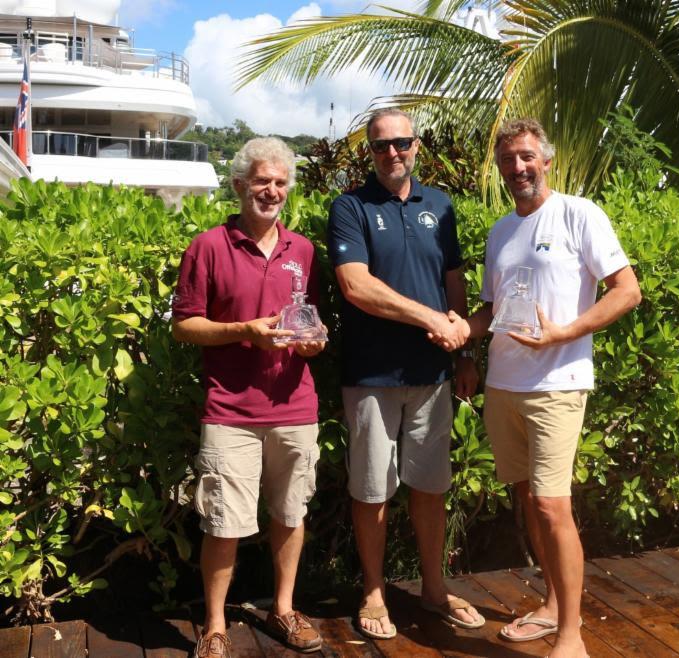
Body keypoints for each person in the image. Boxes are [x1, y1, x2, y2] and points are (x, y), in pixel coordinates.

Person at [455, 119, 641, 658]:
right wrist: (458, 337)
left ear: (547, 160)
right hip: (503, 384)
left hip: (558, 384)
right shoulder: (498, 231)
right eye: (509, 160)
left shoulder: (579, 214)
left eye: (527, 157)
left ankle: (571, 636)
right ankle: (554, 604)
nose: (518, 168)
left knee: (552, 504)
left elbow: (626, 291)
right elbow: (491, 311)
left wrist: (564, 332)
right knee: (527, 501)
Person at [326, 108, 484, 639]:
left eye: (402, 143)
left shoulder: (439, 204)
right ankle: (373, 591)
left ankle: (433, 588)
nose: (392, 153)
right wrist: (431, 319)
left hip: (434, 373)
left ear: (417, 146)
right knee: (372, 488)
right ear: (369, 152)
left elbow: (453, 278)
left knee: (431, 484)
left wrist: (464, 351)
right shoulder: (350, 207)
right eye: (380, 146)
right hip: (371, 374)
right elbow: (356, 286)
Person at [172, 137, 326, 657]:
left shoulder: (302, 250)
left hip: (295, 407)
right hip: (231, 411)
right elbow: (185, 326)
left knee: (290, 514)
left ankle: (283, 610)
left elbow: (309, 325)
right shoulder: (208, 246)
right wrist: (244, 330)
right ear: (239, 185)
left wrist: (313, 341)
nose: (272, 190)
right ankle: (215, 626)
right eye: (262, 181)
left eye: (281, 182)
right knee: (223, 522)